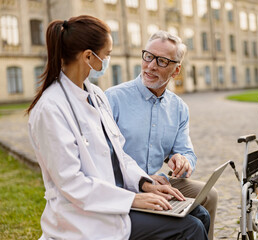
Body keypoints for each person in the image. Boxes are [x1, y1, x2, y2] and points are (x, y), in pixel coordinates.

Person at [27, 15, 209, 240]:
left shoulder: (96, 96)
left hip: (114, 200)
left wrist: (145, 184)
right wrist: (133, 199)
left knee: (199, 215)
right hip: (83, 217)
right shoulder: (50, 108)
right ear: (88, 57)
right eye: (108, 54)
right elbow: (71, 184)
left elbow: (119, 155)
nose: (107, 60)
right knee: (190, 228)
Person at [105, 30, 218, 240]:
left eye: (162, 61)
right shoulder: (113, 99)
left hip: (161, 182)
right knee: (193, 222)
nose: (151, 66)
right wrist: (143, 181)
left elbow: (186, 152)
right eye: (148, 56)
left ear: (176, 71)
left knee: (209, 196)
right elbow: (103, 155)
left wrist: (183, 161)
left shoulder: (179, 108)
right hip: (123, 183)